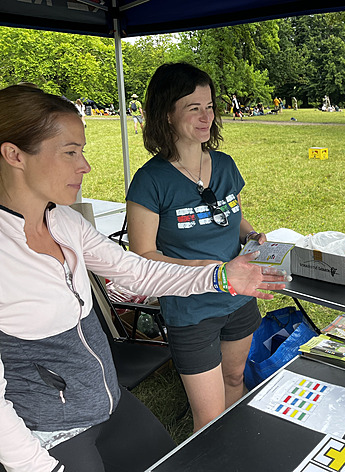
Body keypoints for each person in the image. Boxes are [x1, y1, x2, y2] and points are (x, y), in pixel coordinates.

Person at [0, 84, 288, 472]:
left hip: (108, 402)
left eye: (81, 151)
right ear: (14, 154)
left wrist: (223, 276)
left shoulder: (62, 221)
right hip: (49, 430)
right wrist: (38, 467)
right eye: (70, 152)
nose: (84, 166)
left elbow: (135, 271)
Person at [125, 62, 275, 433]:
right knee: (208, 418)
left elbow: (233, 216)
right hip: (191, 310)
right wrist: (211, 271)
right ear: (166, 114)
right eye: (193, 107)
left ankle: (236, 449)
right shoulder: (150, 181)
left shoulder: (224, 165)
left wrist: (254, 236)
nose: (206, 116)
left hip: (239, 298)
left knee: (236, 379)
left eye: (209, 106)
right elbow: (143, 256)